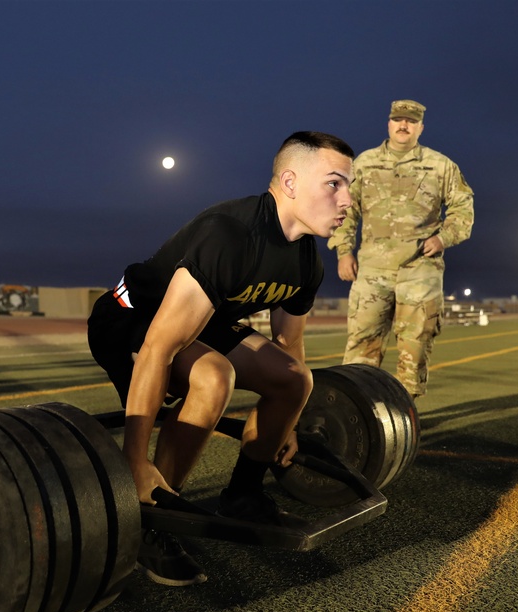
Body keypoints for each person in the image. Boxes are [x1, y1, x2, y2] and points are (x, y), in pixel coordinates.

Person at [88, 131, 355, 586]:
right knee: (214, 376)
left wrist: (286, 425)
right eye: (335, 183)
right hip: (129, 320)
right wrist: (133, 457)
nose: (348, 200)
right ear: (289, 182)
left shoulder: (308, 259)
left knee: (294, 379)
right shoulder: (229, 234)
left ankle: (244, 494)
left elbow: (289, 345)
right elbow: (158, 346)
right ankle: (151, 514)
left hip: (202, 319)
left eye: (350, 186)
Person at [327, 99, 474, 399]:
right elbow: (344, 209)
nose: (403, 125)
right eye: (398, 120)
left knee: (415, 347)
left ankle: (405, 416)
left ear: (420, 127)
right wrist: (343, 251)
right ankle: (356, 411)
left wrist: (443, 237)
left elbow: (463, 207)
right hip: (371, 271)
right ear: (389, 123)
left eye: (410, 121)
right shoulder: (364, 164)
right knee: (361, 346)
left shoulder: (440, 165)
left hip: (420, 269)